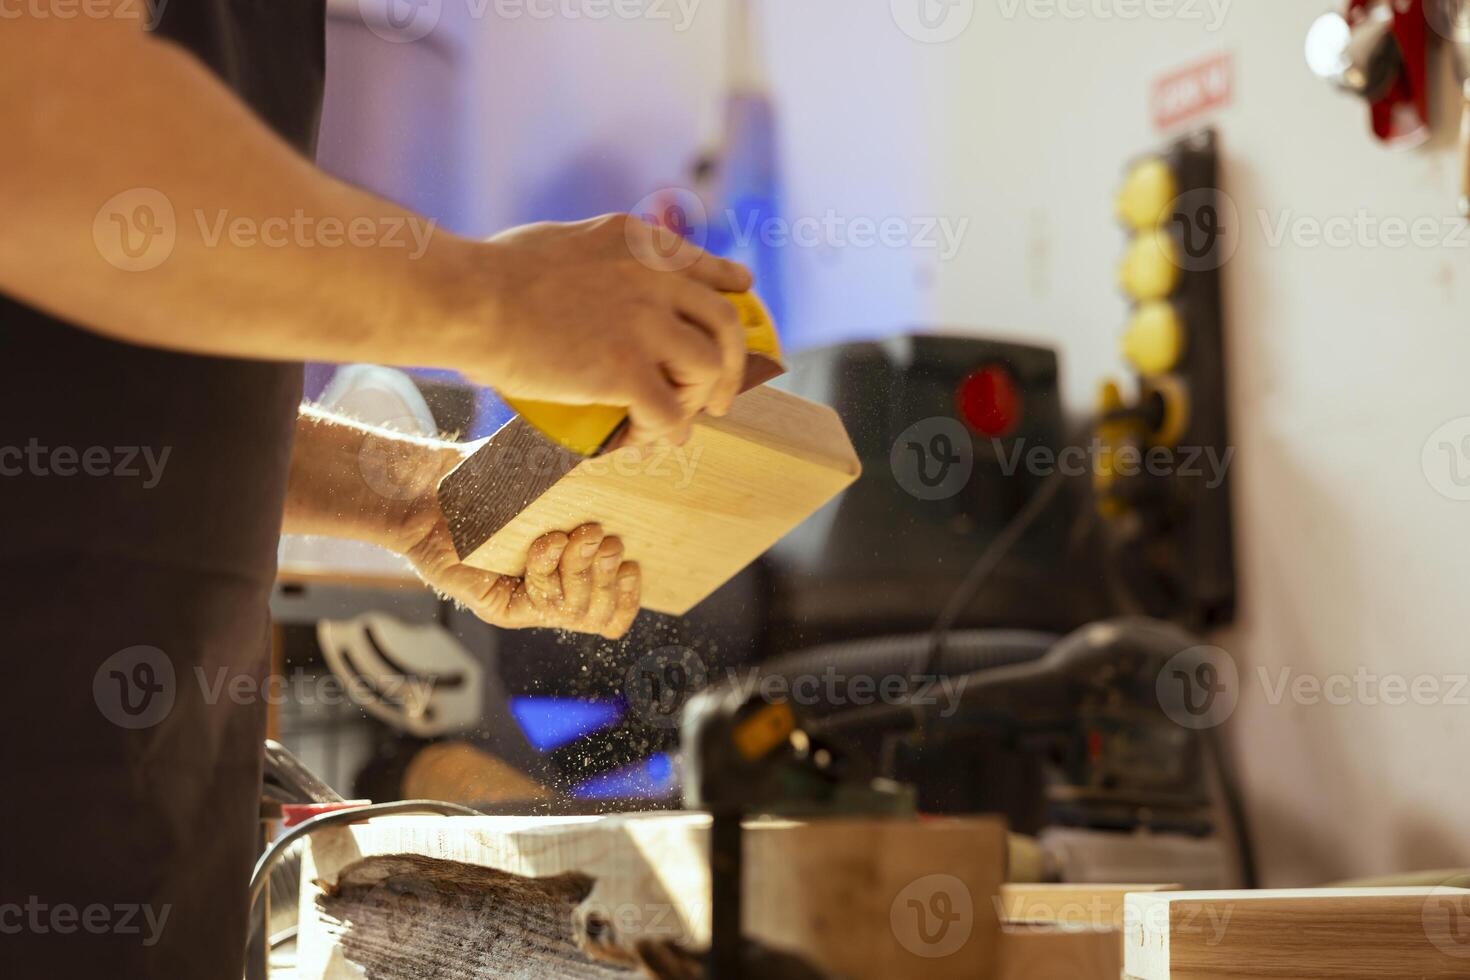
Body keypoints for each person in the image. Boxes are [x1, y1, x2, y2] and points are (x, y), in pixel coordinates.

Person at [0, 5, 751, 976]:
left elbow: (107, 386)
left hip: (143, 841)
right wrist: (502, 302)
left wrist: (414, 503)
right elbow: (35, 131)